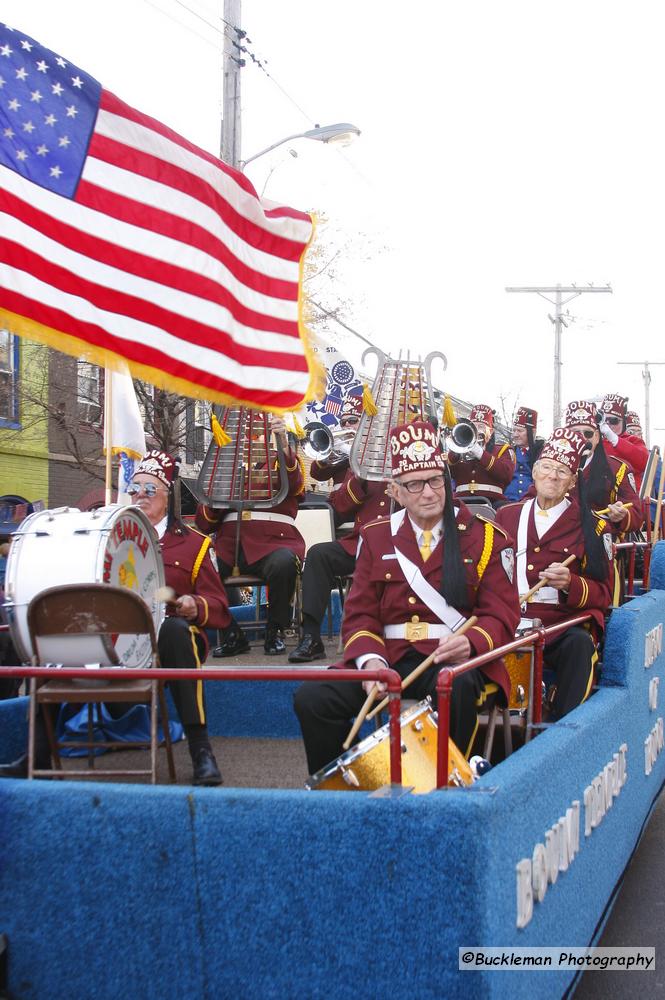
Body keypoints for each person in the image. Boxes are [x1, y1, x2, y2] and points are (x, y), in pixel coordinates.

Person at [293, 420, 521, 777]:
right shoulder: (376, 536)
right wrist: (369, 662)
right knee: (313, 698)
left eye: (434, 481)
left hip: (452, 660)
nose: (428, 493)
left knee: (455, 687)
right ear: (396, 492)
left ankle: (446, 787)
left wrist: (470, 643)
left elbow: (502, 614)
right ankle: (344, 793)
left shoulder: (485, 537)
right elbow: (361, 615)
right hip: (390, 658)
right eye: (415, 484)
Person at [0, 450, 228, 785]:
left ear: (168, 495)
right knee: (56, 632)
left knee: (178, 631)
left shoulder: (193, 545)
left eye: (150, 490)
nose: (140, 496)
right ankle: (37, 753)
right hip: (105, 639)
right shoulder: (106, 535)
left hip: (161, 651)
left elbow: (220, 607)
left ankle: (201, 751)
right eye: (135, 489)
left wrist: (196, 604)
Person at [496, 428, 614, 720]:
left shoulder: (593, 526)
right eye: (547, 467)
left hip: (559, 627)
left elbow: (605, 593)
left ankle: (563, 733)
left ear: (573, 481)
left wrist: (571, 584)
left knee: (580, 646)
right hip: (508, 623)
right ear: (534, 472)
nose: (552, 476)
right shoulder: (506, 516)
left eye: (562, 471)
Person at [196, 415, 306, 656]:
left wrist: (284, 444)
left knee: (284, 564)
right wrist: (221, 488)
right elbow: (204, 522)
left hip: (274, 543)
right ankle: (231, 632)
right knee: (198, 568)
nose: (251, 437)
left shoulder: (279, 457)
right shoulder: (224, 465)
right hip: (230, 545)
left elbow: (296, 484)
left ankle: (275, 629)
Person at [564, 400, 644, 537]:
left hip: (601, 544)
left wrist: (622, 516)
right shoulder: (552, 465)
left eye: (587, 434)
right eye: (575, 433)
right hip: (559, 542)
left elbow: (636, 514)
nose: (582, 439)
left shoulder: (618, 469)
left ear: (596, 436)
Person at [448, 404, 516, 508]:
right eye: (474, 426)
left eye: (481, 427)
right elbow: (447, 472)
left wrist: (480, 453)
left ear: (491, 431)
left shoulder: (503, 450)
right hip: (460, 501)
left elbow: (506, 475)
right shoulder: (459, 448)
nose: (477, 430)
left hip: (492, 502)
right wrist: (457, 450)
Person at [597, 393, 649, 489]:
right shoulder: (596, 441)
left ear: (624, 422)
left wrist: (614, 439)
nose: (608, 425)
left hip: (628, 498)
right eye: (605, 420)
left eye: (613, 421)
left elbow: (645, 462)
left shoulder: (633, 440)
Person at [504, 407, 544, 502]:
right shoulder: (507, 452)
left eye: (520, 431)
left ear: (533, 432)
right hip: (506, 503)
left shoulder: (542, 452)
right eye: (514, 430)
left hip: (532, 503)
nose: (515, 435)